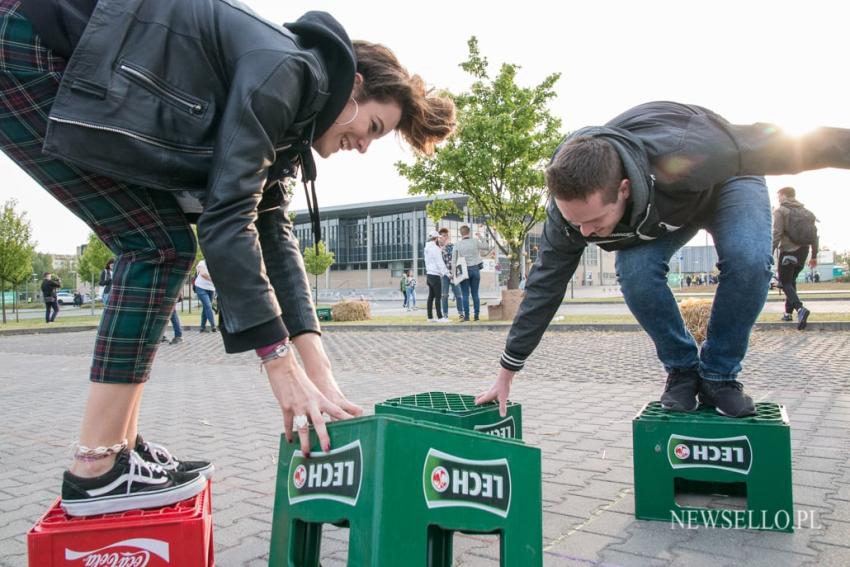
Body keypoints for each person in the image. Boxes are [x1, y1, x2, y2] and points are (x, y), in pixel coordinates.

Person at [0, 0, 454, 516]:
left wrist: (322, 377)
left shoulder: (292, 121)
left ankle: (115, 452)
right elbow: (227, 219)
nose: (364, 147)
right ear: (352, 86)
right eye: (373, 128)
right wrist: (278, 365)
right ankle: (98, 466)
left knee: (161, 244)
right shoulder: (286, 70)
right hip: (29, 43)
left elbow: (275, 243)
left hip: (51, 53)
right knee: (160, 246)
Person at [476, 101, 850, 419]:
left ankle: (719, 375)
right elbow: (545, 288)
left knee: (749, 260)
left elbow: (799, 146)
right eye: (576, 224)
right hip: (662, 211)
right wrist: (507, 371)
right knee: (635, 271)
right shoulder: (568, 218)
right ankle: (683, 372)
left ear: (623, 189)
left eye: (594, 223)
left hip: (727, 182)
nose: (585, 234)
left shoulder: (693, 149)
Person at [772, 186, 818, 329]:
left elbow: (777, 233)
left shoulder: (781, 211)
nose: (778, 199)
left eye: (778, 196)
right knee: (790, 282)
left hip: (788, 251)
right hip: (804, 251)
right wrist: (814, 255)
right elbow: (815, 235)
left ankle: (800, 309)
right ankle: (788, 313)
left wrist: (769, 252)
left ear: (784, 196)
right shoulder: (806, 212)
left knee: (785, 282)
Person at [452, 225, 490, 321]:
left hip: (464, 270)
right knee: (475, 293)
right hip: (475, 269)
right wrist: (481, 237)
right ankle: (476, 316)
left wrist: (454, 273)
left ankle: (467, 316)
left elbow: (454, 260)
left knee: (465, 294)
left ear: (461, 233)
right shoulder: (475, 241)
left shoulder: (457, 244)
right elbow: (486, 247)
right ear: (469, 232)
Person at [439, 227, 463, 321]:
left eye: (446, 235)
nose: (444, 237)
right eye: (442, 236)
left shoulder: (453, 246)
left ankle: (461, 313)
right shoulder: (438, 248)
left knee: (459, 295)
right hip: (444, 275)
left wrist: (455, 273)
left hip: (454, 274)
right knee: (444, 295)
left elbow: (457, 260)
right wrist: (442, 247)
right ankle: (445, 315)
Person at [424, 230, 448, 322]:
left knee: (431, 297)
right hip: (435, 275)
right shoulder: (435, 248)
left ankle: (430, 317)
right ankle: (440, 317)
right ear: (436, 238)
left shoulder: (426, 248)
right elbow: (440, 263)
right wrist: (447, 273)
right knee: (438, 297)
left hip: (429, 275)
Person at [193, 259, 217, 333]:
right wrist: (214, 279)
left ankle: (202, 328)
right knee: (208, 306)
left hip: (211, 289)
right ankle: (213, 326)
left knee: (206, 307)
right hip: (200, 287)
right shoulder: (202, 263)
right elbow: (203, 274)